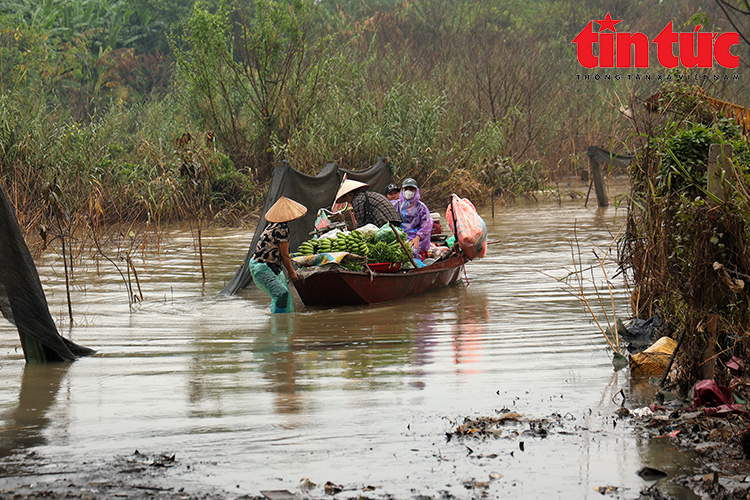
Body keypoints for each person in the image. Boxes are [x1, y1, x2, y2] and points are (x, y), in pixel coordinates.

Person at [249, 196, 307, 313]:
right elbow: (284, 255)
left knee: (281, 294)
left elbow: (278, 252)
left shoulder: (272, 226)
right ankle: (280, 324)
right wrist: (291, 272)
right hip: (263, 267)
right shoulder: (282, 228)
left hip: (264, 265)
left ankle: (279, 320)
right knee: (282, 294)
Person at [335, 179, 402, 229]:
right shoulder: (366, 195)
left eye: (345, 198)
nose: (346, 201)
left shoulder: (357, 200)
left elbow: (361, 222)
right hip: (395, 219)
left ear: (348, 195)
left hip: (386, 221)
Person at [395, 178, 432, 259]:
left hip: (414, 236)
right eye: (406, 189)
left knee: (412, 251)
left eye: (411, 189)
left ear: (416, 191)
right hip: (398, 236)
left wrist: (418, 237)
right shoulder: (396, 205)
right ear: (402, 190)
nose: (408, 192)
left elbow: (426, 225)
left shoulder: (421, 207)